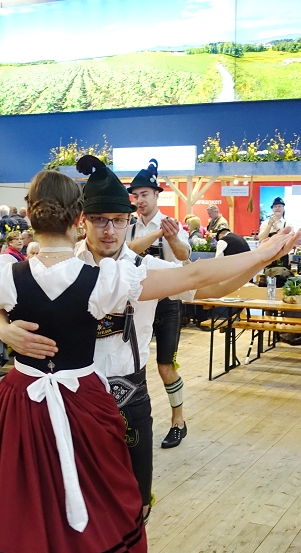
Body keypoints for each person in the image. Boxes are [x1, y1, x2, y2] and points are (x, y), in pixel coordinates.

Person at [0, 159, 300, 553]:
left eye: (119, 220)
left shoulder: (122, 271)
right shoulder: (93, 276)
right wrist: (4, 330)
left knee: (116, 508)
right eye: (100, 220)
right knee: (44, 508)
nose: (109, 229)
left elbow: (205, 280)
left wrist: (262, 255)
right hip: (79, 403)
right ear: (80, 219)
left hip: (104, 400)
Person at [126, 160, 192, 449]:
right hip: (136, 304)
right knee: (132, 363)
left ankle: (178, 421)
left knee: (165, 365)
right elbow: (126, 252)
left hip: (166, 303)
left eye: (144, 194)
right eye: (136, 195)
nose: (139, 200)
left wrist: (172, 236)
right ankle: (134, 423)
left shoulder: (170, 223)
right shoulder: (129, 226)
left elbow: (184, 255)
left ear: (156, 195)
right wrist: (155, 235)